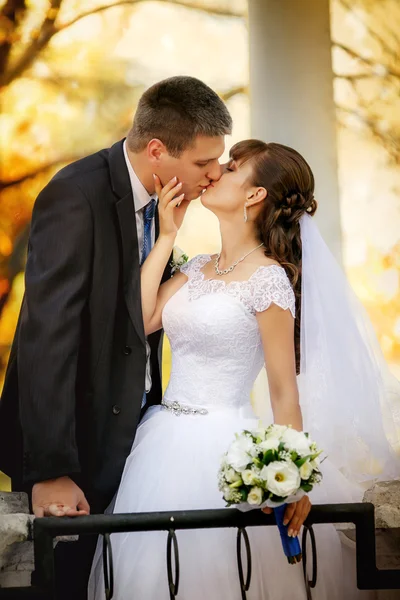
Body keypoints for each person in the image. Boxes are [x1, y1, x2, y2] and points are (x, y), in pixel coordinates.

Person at [89, 139, 399, 599]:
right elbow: (141, 318)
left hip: (224, 446)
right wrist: (169, 236)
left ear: (254, 196)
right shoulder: (197, 268)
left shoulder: (269, 280)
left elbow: (283, 390)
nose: (215, 172)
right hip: (161, 443)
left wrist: (289, 472)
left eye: (231, 168)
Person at [0, 75, 232, 599]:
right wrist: (53, 469)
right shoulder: (75, 196)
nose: (215, 173)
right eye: (203, 163)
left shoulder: (163, 206)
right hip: (75, 459)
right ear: (157, 151)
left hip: (135, 452)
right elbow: (45, 338)